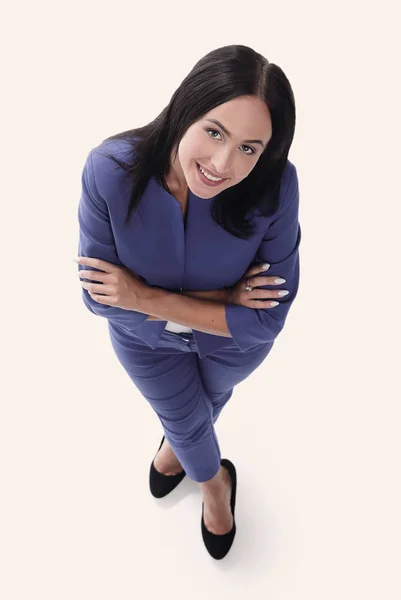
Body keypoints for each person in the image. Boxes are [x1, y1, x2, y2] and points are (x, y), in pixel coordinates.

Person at [75, 44, 301, 560]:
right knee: (186, 416)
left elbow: (267, 322)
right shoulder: (109, 170)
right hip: (145, 342)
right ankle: (215, 481)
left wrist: (146, 295)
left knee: (193, 415)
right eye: (215, 131)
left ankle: (182, 448)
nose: (223, 163)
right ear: (186, 107)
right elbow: (101, 301)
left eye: (250, 148)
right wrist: (224, 297)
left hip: (232, 347)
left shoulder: (277, 188)